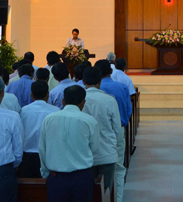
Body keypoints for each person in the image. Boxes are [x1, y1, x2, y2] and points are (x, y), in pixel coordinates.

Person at [39, 85, 99, 202]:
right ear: (83, 102)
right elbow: (94, 148)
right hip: (81, 177)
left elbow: (42, 148)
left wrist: (45, 172)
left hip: (56, 177)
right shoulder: (89, 121)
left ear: (63, 101)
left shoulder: (49, 119)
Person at [82, 66, 124, 197]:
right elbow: (117, 129)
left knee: (88, 193)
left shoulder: (78, 99)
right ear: (100, 82)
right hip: (106, 153)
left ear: (84, 82)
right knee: (106, 192)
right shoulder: (109, 100)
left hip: (85, 155)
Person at [19, 81, 59, 178]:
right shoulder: (56, 111)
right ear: (48, 95)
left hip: (27, 156)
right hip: (49, 155)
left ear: (32, 95)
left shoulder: (23, 111)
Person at [97, 60, 132, 127]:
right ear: (111, 71)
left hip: (98, 127)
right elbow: (128, 110)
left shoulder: (94, 88)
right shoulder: (122, 87)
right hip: (119, 125)